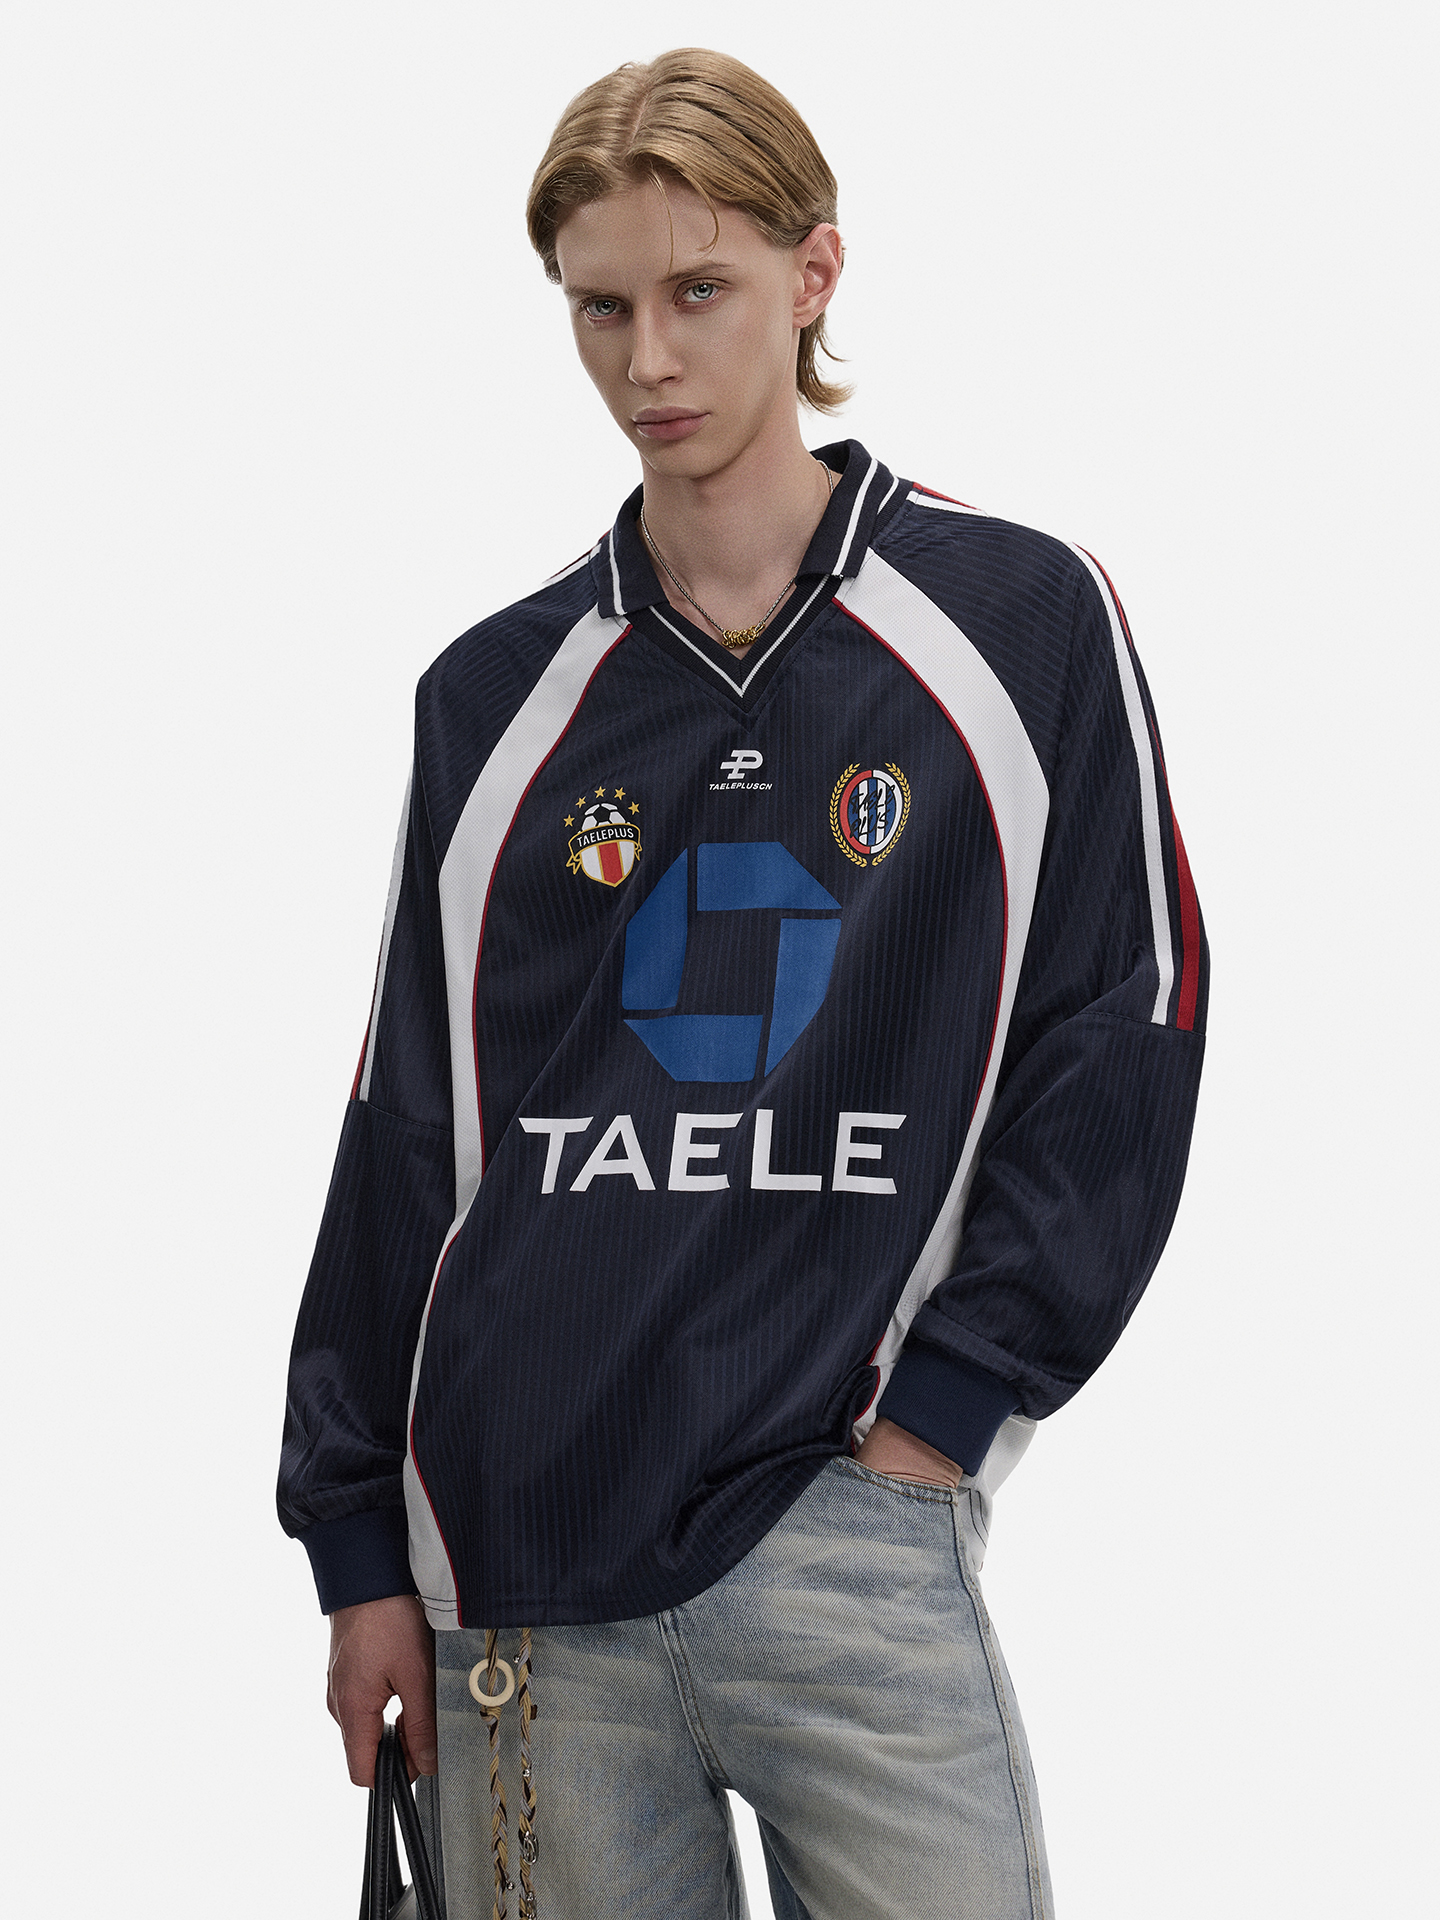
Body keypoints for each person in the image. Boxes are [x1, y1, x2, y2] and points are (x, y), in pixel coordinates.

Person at [279, 47, 1208, 1920]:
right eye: (599, 308)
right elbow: (407, 1128)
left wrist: (941, 1417)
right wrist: (360, 1547)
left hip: (848, 1528)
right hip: (524, 1569)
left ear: (814, 273)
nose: (649, 361)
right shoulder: (493, 697)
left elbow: (1129, 1022)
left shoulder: (1019, 622)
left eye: (697, 291)